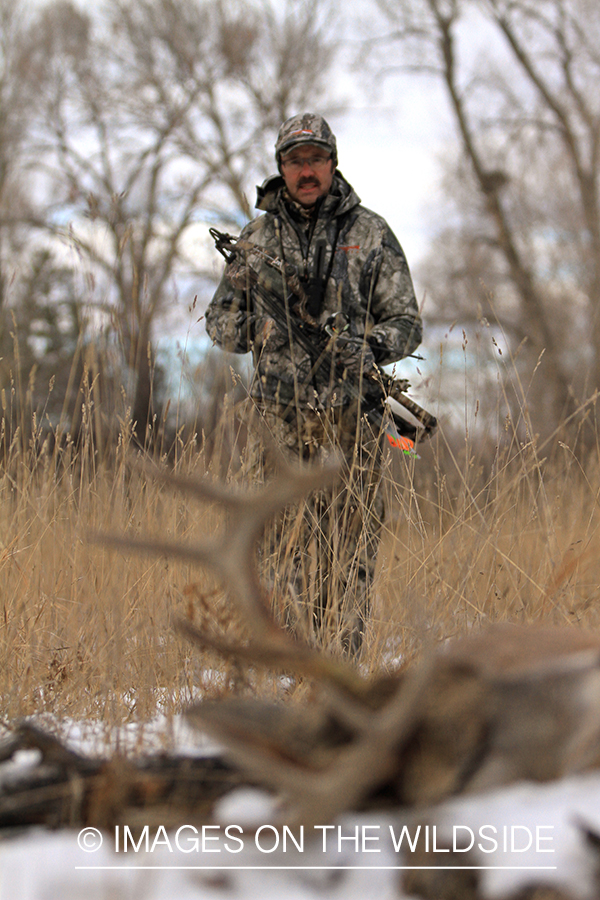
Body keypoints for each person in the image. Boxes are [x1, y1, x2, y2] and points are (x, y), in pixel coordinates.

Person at [206, 112, 422, 656]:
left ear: (333, 163)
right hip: (277, 418)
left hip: (354, 418)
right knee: (277, 543)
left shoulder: (370, 233)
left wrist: (369, 347)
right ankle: (286, 662)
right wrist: (258, 327)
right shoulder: (256, 239)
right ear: (281, 168)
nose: (307, 170)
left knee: (350, 549)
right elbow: (219, 321)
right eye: (296, 160)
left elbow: (408, 323)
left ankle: (341, 665)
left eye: (316, 159)